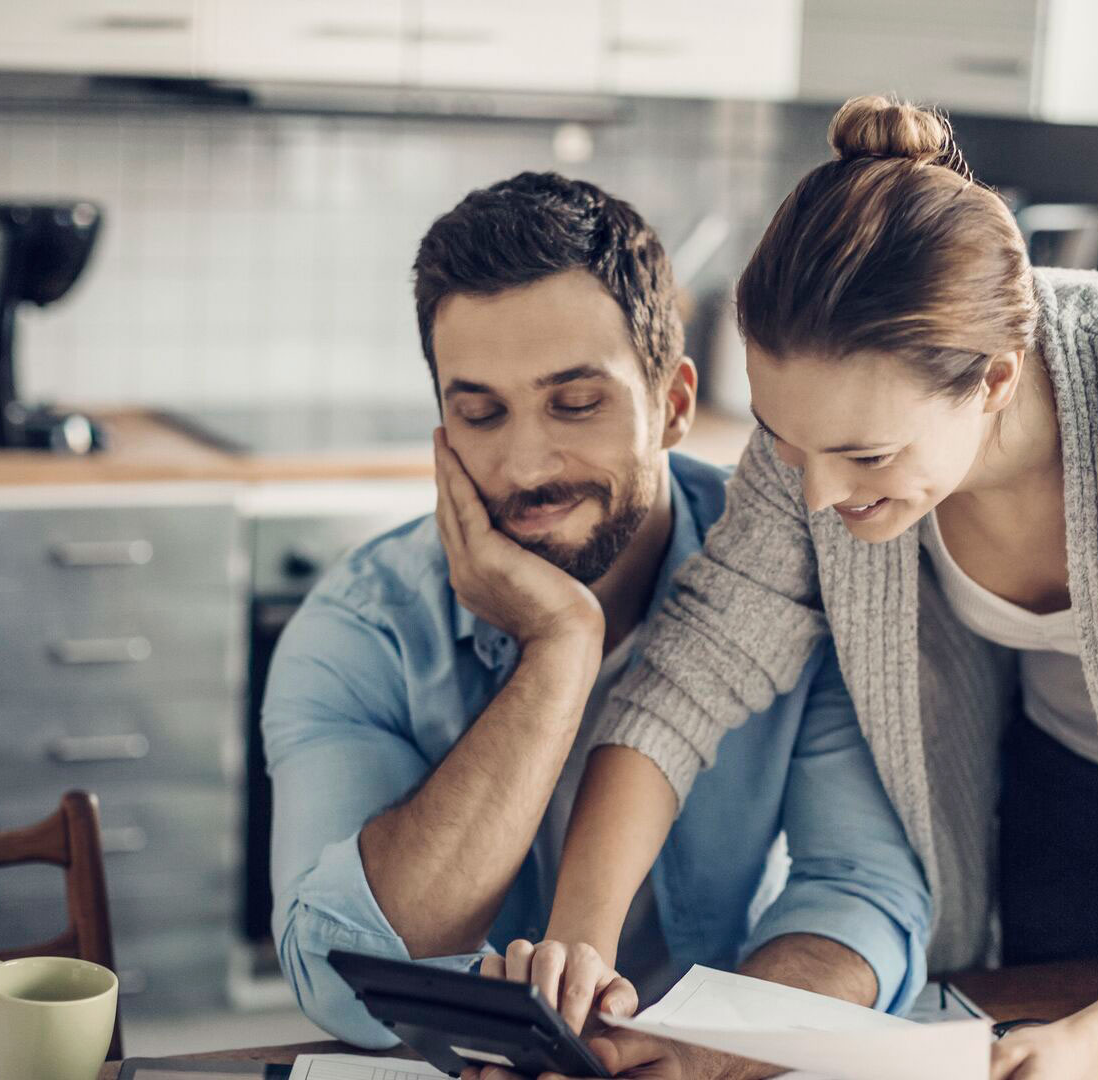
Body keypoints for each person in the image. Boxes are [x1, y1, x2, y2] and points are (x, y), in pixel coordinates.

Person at [530, 99, 1098, 1080]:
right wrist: (577, 954)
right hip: (1062, 783)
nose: (819, 494)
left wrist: (1096, 1040)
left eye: (866, 455)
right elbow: (687, 680)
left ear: (998, 382)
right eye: (787, 442)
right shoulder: (825, 426)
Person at [261, 171, 932, 1077]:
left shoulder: (796, 586)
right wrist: (559, 650)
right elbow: (340, 977)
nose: (528, 462)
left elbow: (861, 898)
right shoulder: (360, 631)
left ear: (676, 405)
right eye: (480, 413)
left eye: (576, 404)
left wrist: (711, 1048)